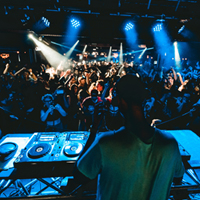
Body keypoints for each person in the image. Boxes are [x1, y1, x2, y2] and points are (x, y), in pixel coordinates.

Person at [74, 74, 184, 200]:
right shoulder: (170, 143)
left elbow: (79, 175)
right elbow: (178, 177)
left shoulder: (106, 143)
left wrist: (93, 130)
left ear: (120, 101)